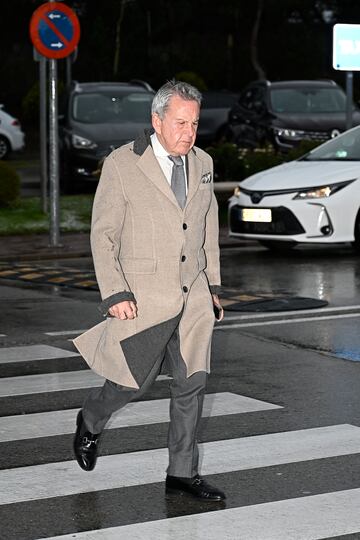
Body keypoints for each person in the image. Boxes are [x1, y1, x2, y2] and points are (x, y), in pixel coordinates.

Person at [73, 80, 225, 501]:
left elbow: (206, 226)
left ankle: (181, 473)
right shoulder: (123, 164)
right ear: (156, 120)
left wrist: (212, 285)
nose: (189, 132)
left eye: (194, 123)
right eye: (180, 122)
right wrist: (115, 293)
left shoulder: (204, 162)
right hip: (143, 297)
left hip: (192, 295)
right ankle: (90, 419)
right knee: (131, 383)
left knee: (192, 384)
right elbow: (103, 235)